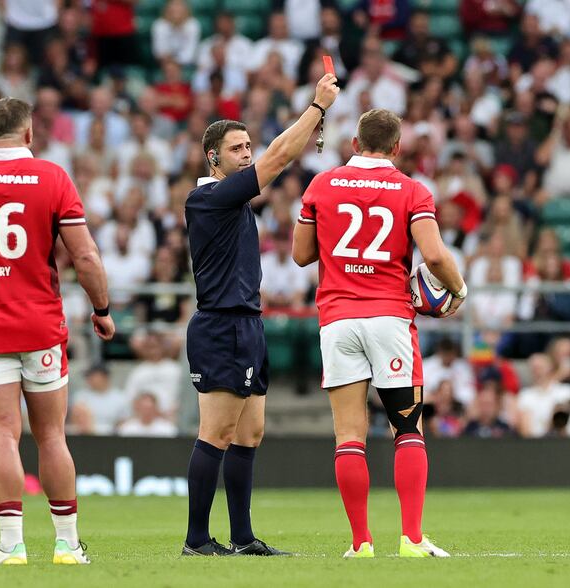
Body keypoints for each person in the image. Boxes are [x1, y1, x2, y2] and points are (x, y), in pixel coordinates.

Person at [0, 97, 115, 566]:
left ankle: (11, 546)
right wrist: (102, 309)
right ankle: (67, 545)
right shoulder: (52, 178)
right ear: (30, 135)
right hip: (41, 324)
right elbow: (86, 257)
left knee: (4, 437)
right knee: (51, 437)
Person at [292, 108, 466, 559]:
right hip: (389, 319)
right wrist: (458, 289)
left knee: (349, 435)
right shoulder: (412, 190)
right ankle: (410, 539)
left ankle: (360, 543)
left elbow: (300, 255)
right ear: (396, 148)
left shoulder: (321, 184)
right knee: (407, 429)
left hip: (338, 319)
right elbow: (435, 254)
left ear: (354, 143)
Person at [181, 72, 339, 557]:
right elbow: (279, 158)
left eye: (249, 146)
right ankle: (196, 540)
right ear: (214, 158)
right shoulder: (208, 198)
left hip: (248, 323)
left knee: (249, 433)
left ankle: (243, 537)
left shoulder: (231, 203)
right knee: (217, 432)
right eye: (237, 149)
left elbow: (271, 159)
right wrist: (317, 109)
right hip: (221, 324)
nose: (248, 154)